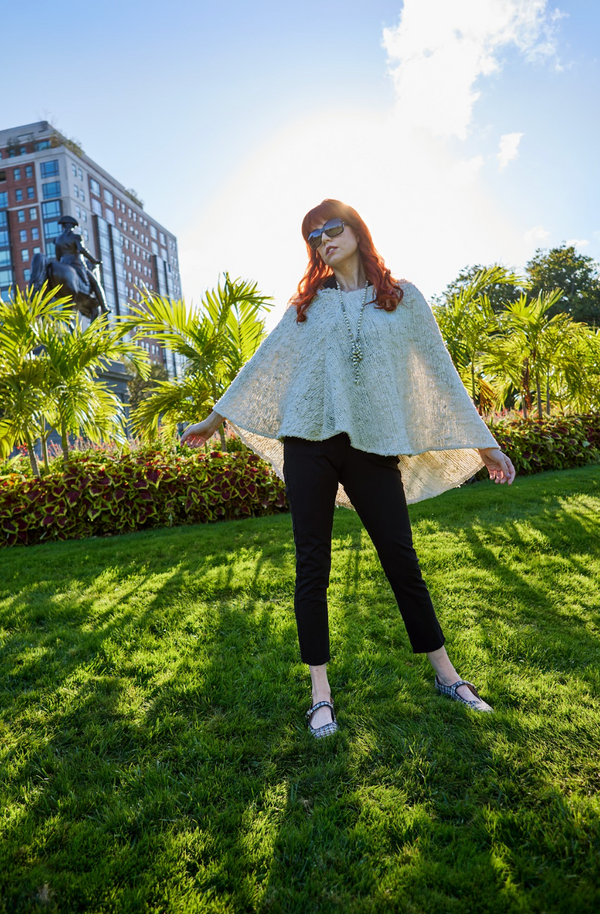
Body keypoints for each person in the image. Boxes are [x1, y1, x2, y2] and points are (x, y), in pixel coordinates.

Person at [181, 199, 515, 738]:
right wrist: (214, 419)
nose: (323, 240)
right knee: (312, 565)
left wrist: (485, 445)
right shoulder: (307, 306)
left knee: (402, 561)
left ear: (357, 229)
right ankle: (320, 695)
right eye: (313, 236)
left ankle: (448, 677)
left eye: (331, 228)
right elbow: (264, 363)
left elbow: (442, 374)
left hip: (373, 445)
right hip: (308, 444)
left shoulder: (404, 301)